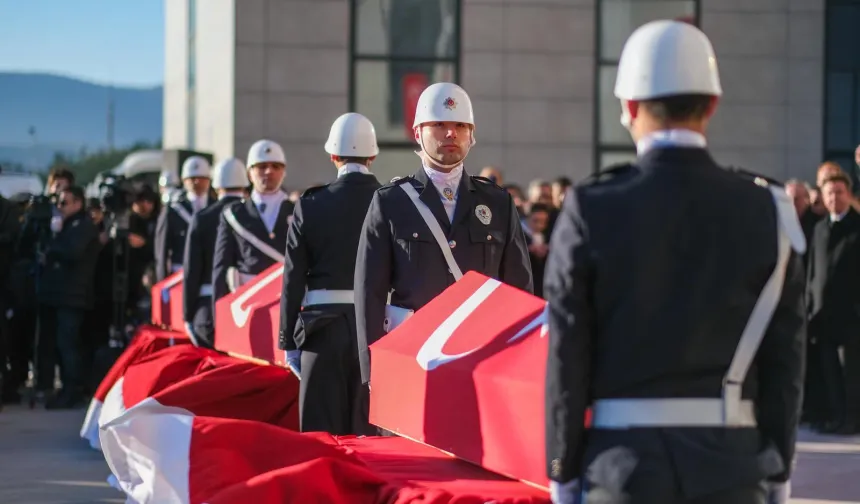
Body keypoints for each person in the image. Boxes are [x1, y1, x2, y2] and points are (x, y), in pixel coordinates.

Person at [543, 20, 806, 504]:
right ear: (712, 104)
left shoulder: (590, 207)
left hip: (621, 469)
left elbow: (567, 353)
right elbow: (784, 360)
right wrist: (779, 466)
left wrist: (562, 467)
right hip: (734, 468)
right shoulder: (768, 210)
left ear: (628, 107)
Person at [354, 82, 533, 425]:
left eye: (461, 126)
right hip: (411, 359)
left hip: (481, 361)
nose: (451, 133)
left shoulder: (497, 202)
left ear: (472, 135)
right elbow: (369, 293)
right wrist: (374, 369)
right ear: (418, 133)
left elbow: (519, 292)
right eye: (439, 125)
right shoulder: (391, 202)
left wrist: (519, 366)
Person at [278, 112, 382, 434]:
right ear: (373, 156)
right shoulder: (393, 201)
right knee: (369, 430)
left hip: (320, 328)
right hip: (377, 328)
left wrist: (287, 338)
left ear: (333, 155)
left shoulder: (311, 203)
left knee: (321, 432)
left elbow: (293, 276)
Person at [212, 140, 294, 303]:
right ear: (249, 173)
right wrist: (219, 317)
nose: (269, 171)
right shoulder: (234, 214)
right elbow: (221, 267)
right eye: (262, 166)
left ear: (284, 172)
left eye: (275, 166)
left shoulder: (299, 210)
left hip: (288, 300)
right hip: (247, 300)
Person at [182, 158, 249, 348]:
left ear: (216, 185)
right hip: (249, 308)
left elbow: (191, 271)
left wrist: (187, 315)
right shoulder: (254, 216)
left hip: (207, 308)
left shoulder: (202, 218)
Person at [154, 156, 213, 282]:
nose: (197, 182)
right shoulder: (173, 211)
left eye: (202, 178)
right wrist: (163, 282)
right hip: (180, 276)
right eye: (191, 178)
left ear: (209, 180)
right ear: (183, 180)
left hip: (210, 277)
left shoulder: (217, 208)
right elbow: (162, 252)